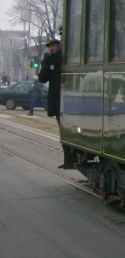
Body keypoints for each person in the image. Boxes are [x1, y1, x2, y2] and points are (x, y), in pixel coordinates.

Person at [38, 38, 71, 168]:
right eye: (49, 47)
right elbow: (42, 78)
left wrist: (50, 61)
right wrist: (45, 63)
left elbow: (59, 66)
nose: (51, 48)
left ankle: (69, 159)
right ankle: (67, 160)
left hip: (66, 97)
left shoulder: (62, 58)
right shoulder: (49, 60)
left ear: (59, 46)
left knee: (66, 130)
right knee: (62, 130)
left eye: (53, 46)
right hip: (57, 99)